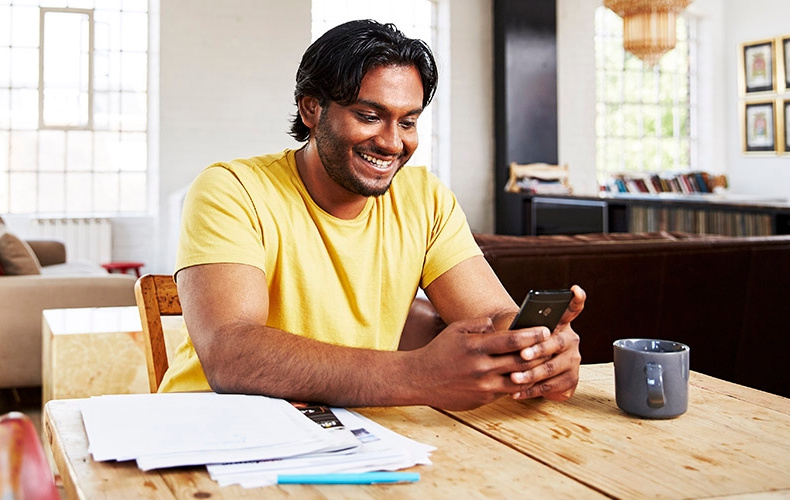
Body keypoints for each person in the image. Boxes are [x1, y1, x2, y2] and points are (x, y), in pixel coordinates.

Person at [161, 19, 585, 411]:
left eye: (408, 122)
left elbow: (491, 317)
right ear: (311, 109)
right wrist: (419, 375)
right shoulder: (232, 189)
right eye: (369, 116)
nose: (391, 142)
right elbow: (231, 354)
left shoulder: (426, 199)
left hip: (346, 432)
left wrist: (534, 346)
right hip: (210, 429)